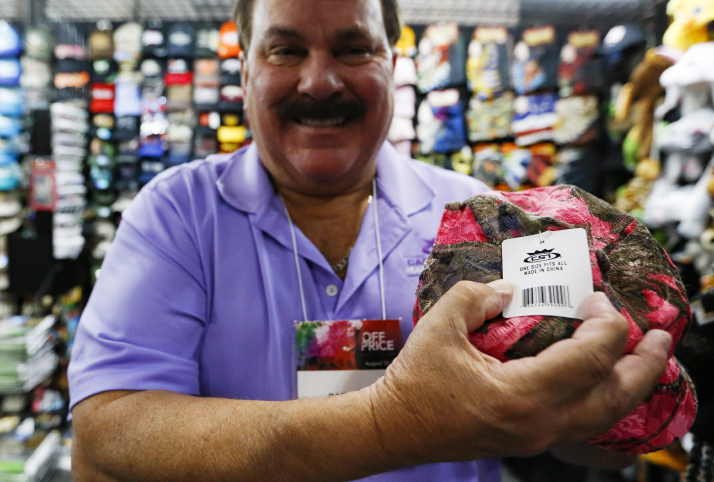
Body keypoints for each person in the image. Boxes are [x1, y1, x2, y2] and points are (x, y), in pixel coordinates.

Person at [68, 0, 673, 480]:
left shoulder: (486, 215)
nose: (321, 80)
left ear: (391, 61)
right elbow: (110, 437)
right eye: (285, 49)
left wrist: (603, 407)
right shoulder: (178, 212)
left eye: (354, 48)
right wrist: (392, 423)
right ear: (246, 69)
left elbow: (587, 447)